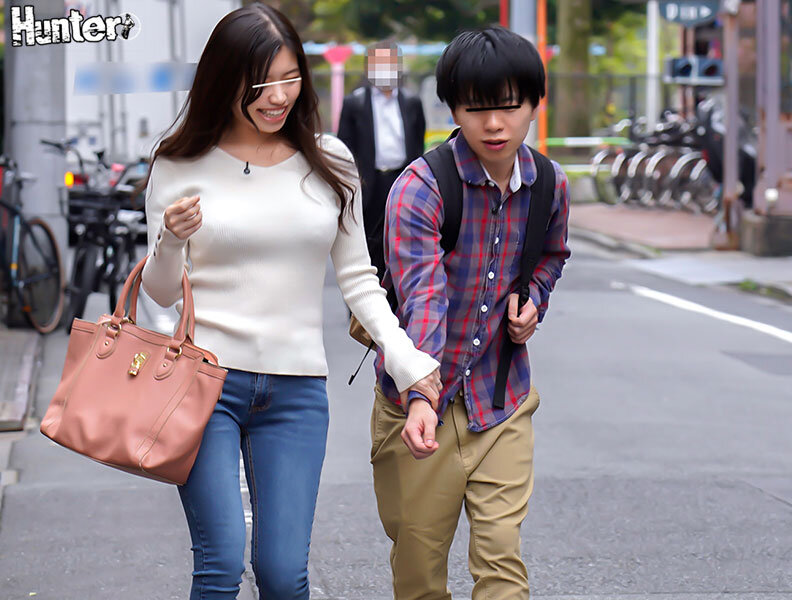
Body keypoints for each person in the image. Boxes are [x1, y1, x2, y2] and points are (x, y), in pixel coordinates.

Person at [139, 5, 441, 599]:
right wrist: (171, 239)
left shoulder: (330, 161)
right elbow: (161, 292)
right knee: (221, 564)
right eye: (261, 83)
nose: (278, 96)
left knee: (282, 574)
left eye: (290, 78)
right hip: (205, 383)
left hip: (296, 390)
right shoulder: (178, 163)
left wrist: (408, 362)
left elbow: (359, 279)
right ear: (224, 80)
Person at [369, 26, 571, 600]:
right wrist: (421, 395)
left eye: (510, 106)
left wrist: (534, 301)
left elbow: (552, 256)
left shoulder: (549, 184)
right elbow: (423, 296)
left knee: (501, 557)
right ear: (454, 110)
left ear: (534, 102)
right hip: (418, 407)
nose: (495, 124)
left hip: (502, 399)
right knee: (419, 570)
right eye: (476, 109)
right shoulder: (421, 187)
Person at [337, 41, 426, 279]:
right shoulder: (355, 103)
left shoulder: (411, 102)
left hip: (402, 181)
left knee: (404, 242)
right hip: (369, 185)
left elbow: (418, 144)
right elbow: (344, 148)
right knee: (367, 248)